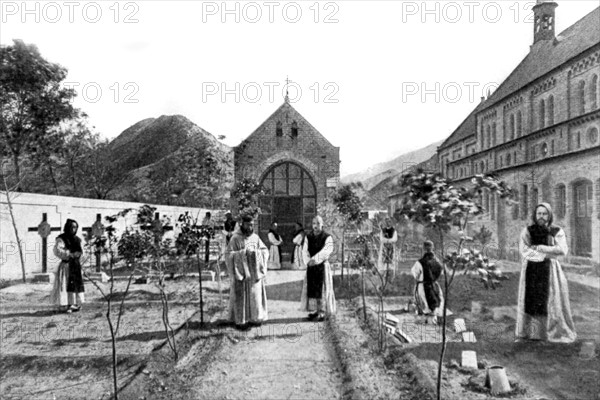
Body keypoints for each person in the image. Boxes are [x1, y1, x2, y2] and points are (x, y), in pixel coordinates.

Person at [515, 202, 576, 343]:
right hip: (531, 268)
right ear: (535, 215)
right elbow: (524, 250)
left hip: (550, 269)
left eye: (544, 214)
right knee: (530, 299)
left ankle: (547, 333)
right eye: (539, 214)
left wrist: (541, 247)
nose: (541, 216)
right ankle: (531, 334)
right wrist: (542, 255)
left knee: (549, 299)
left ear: (549, 215)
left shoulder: (556, 231)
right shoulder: (528, 231)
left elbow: (562, 250)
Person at [225, 214, 269, 329]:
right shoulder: (235, 238)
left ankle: (255, 319)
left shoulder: (256, 237)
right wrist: (242, 254)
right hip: (242, 275)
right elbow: (228, 255)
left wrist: (257, 253)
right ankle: (241, 321)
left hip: (254, 274)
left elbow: (265, 251)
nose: (250, 227)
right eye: (248, 225)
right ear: (242, 224)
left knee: (255, 296)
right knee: (241, 297)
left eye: (252, 225)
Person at [299, 216, 336, 321]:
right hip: (311, 266)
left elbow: (326, 250)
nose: (316, 226)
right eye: (314, 223)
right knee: (312, 289)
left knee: (322, 288)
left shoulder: (327, 237)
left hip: (322, 266)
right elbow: (304, 250)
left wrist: (315, 260)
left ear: (322, 224)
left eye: (318, 223)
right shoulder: (308, 237)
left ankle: (322, 311)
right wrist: (308, 261)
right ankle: (315, 310)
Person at [52, 219, 84, 313]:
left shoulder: (77, 239)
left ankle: (75, 303)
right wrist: (69, 254)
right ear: (68, 227)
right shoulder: (61, 239)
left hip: (75, 265)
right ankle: (66, 304)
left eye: (75, 227)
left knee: (75, 284)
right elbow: (57, 250)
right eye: (72, 227)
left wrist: (79, 255)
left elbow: (82, 251)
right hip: (66, 265)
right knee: (66, 284)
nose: (74, 229)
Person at [411, 240, 444, 322]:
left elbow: (415, 273)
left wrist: (419, 278)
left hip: (423, 286)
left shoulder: (420, 262)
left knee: (423, 302)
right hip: (434, 285)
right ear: (433, 248)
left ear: (424, 249)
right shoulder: (437, 262)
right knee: (437, 300)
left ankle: (425, 318)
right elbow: (440, 272)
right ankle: (433, 318)